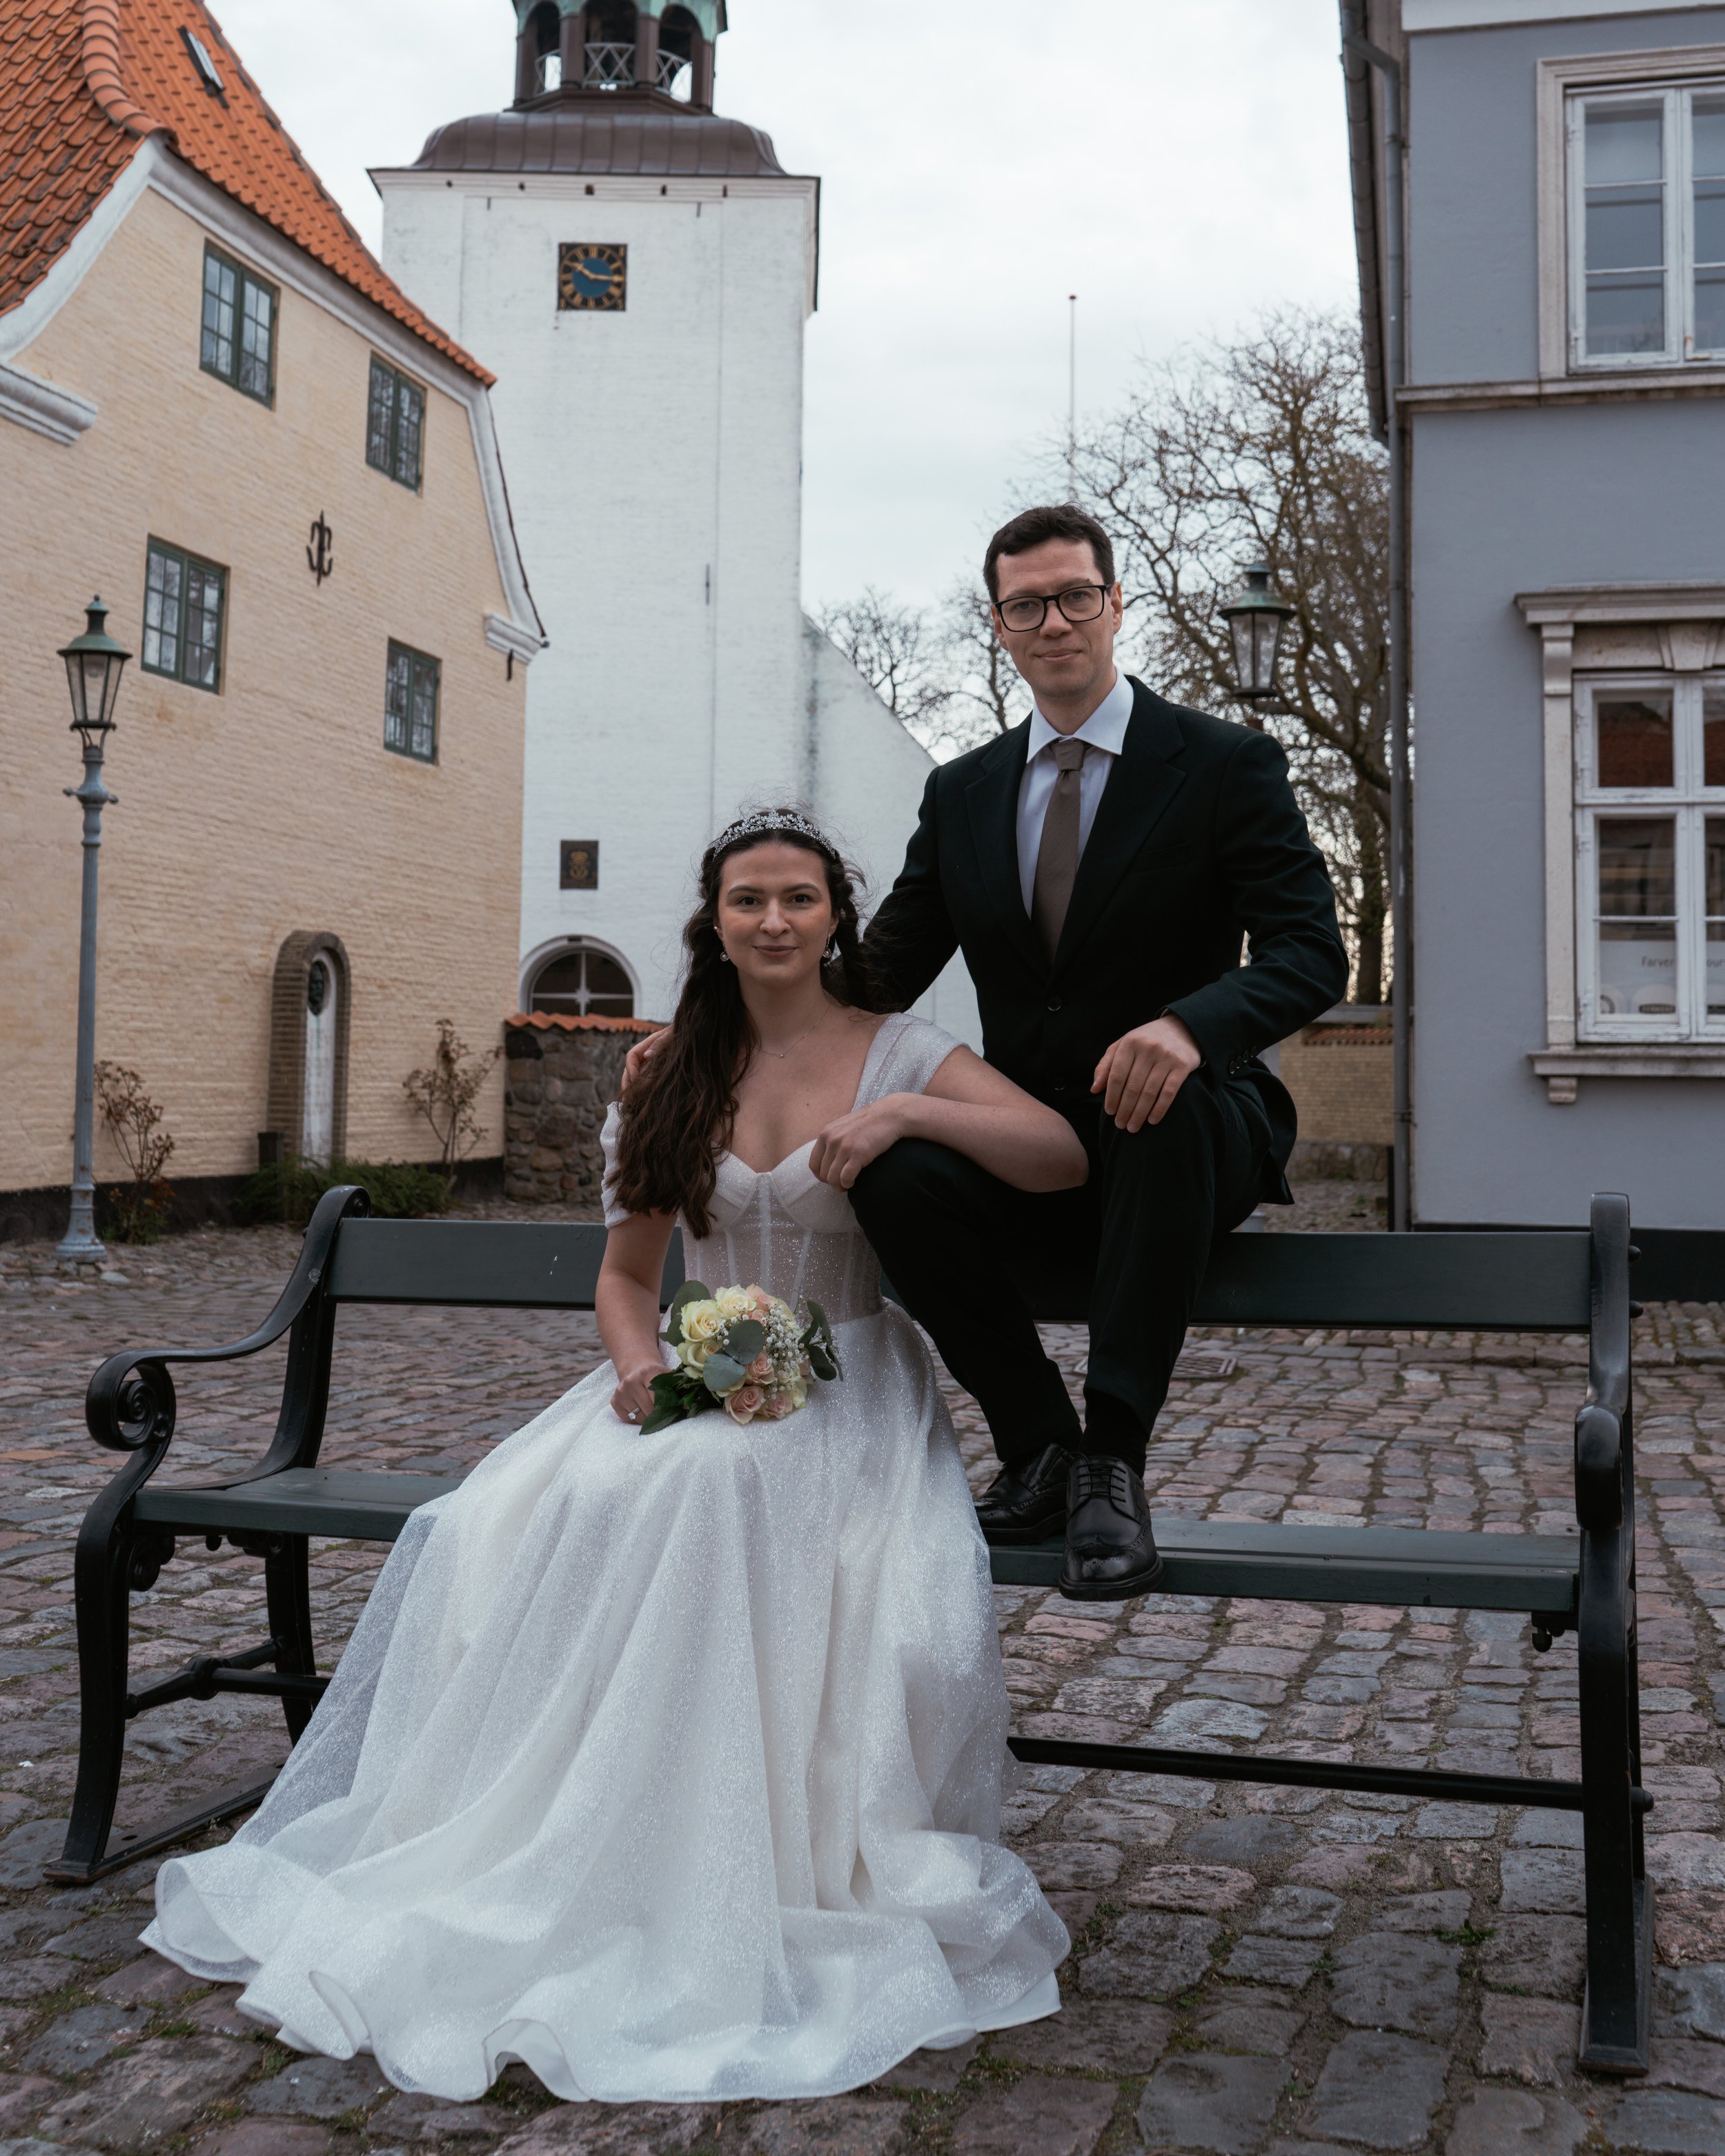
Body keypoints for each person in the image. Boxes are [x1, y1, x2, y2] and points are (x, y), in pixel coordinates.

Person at [141, 809, 1080, 2104]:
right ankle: (571, 1833)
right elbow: (629, 1275)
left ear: (835, 918)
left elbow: (1060, 1149)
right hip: (694, 1366)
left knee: (717, 1488)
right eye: (748, 900)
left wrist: (913, 1114)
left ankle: (732, 1852)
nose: (774, 921)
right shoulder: (670, 1072)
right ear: (715, 922)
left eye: (799, 899)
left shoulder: (903, 1050)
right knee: (532, 1507)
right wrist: (641, 1371)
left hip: (848, 1385)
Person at [851, 504, 1349, 1601]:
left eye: (1077, 595)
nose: (1055, 620)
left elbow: (1315, 953)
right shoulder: (963, 792)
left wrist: (1189, 1025)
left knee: (1155, 1105)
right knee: (895, 1170)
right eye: (1027, 604)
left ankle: (1112, 1462)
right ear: (999, 626)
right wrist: (711, 1032)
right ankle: (1041, 1447)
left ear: (1117, 605)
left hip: (1195, 1125)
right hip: (1034, 1138)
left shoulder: (1223, 764)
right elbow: (879, 973)